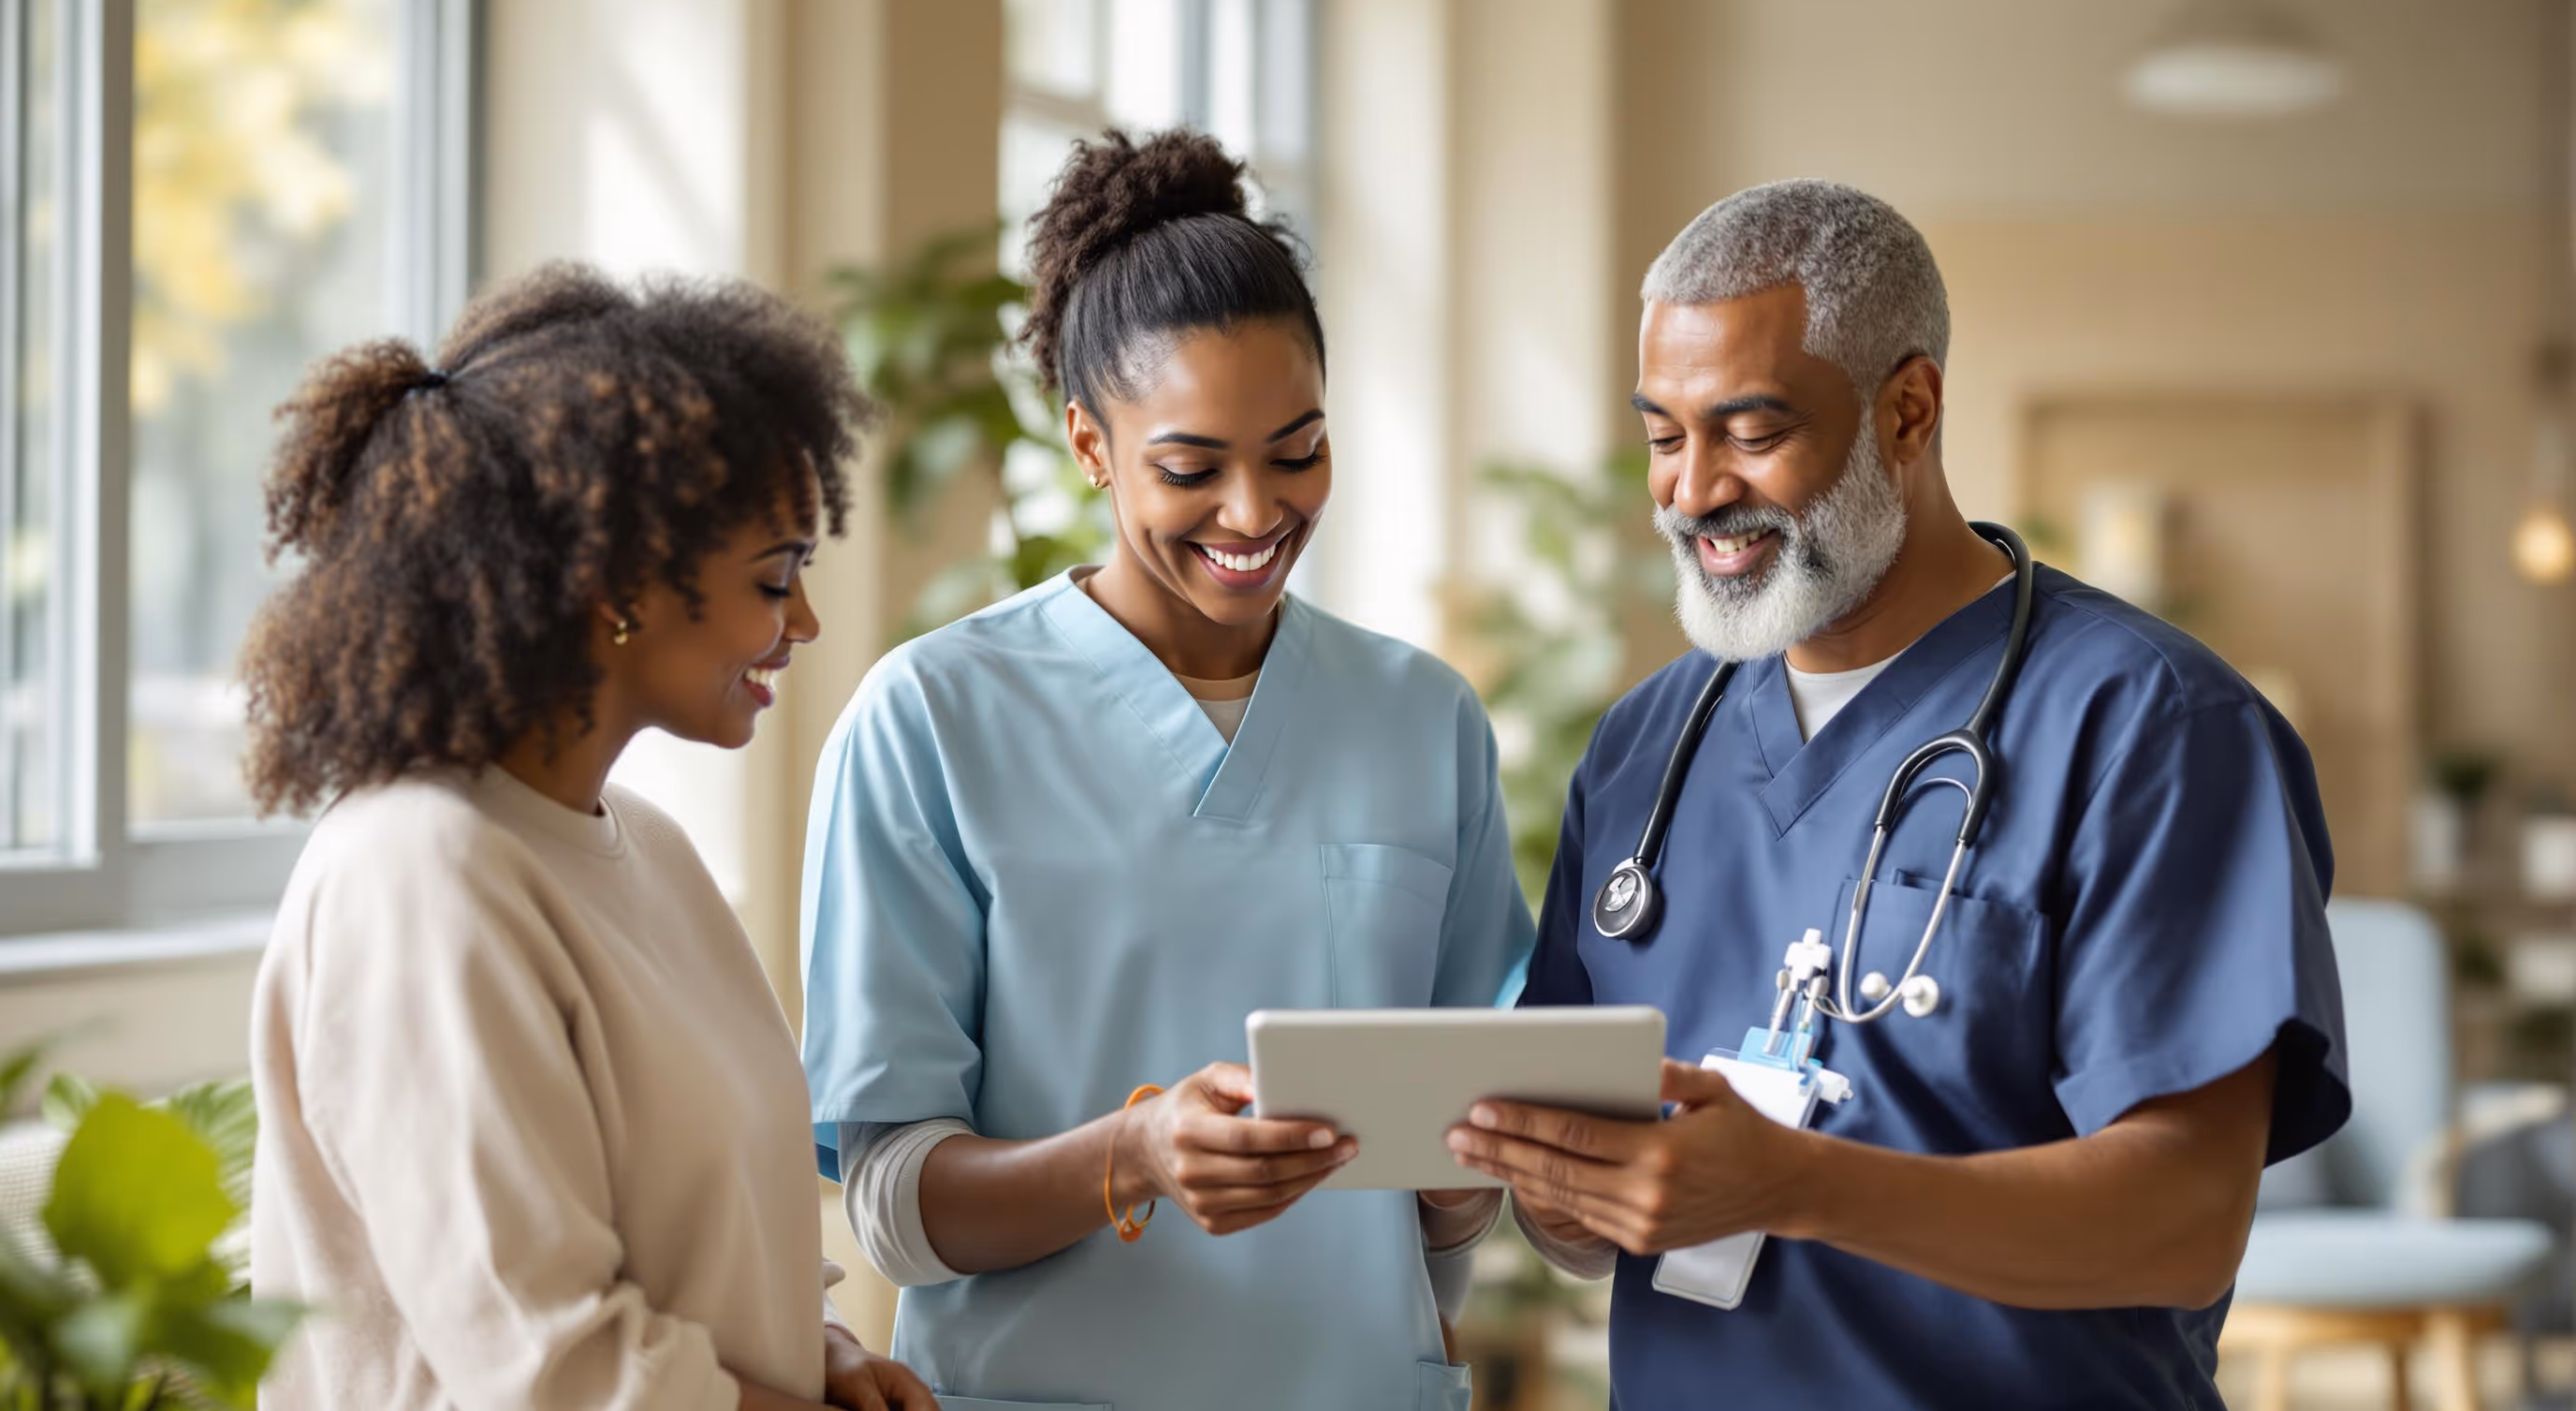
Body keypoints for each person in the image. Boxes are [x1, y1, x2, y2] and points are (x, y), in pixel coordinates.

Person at [1442, 181, 2349, 1407]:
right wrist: (1557, 1198)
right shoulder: (1643, 749)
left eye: (1751, 434)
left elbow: (2186, 1218)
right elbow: (1580, 1215)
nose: (1693, 491)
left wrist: (1792, 1181)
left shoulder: (2152, 728)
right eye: (1665, 435)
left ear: (1908, 412)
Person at [798, 129, 1531, 1411]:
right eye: (1191, 468)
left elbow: (1445, 1205)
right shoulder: (932, 719)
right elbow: (894, 1213)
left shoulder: (1421, 718)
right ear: (1090, 445)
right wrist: (1130, 1155)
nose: (1254, 514)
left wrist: (1479, 1167)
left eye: (1297, 452)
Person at [244, 264, 933, 1411]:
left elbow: (712, 1230)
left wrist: (826, 1354)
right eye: (777, 577)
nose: (803, 622)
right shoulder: (418, 875)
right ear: (616, 584)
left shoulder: (647, 849)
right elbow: (555, 1376)